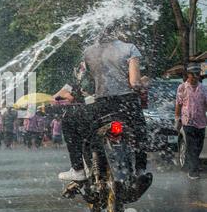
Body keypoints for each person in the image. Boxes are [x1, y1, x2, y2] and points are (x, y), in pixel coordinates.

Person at [58, 26, 150, 181]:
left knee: (68, 119)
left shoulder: (89, 52)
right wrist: (145, 82)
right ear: (117, 30)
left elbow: (84, 80)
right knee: (139, 131)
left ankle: (78, 169)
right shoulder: (129, 48)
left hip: (103, 106)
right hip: (128, 105)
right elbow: (134, 83)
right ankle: (140, 170)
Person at [175, 62, 207, 180]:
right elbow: (178, 105)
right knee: (191, 146)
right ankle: (193, 171)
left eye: (197, 74)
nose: (195, 76)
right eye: (193, 74)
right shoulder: (182, 88)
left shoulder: (203, 89)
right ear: (188, 74)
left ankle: (191, 166)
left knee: (198, 146)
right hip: (188, 122)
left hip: (201, 122)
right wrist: (177, 120)